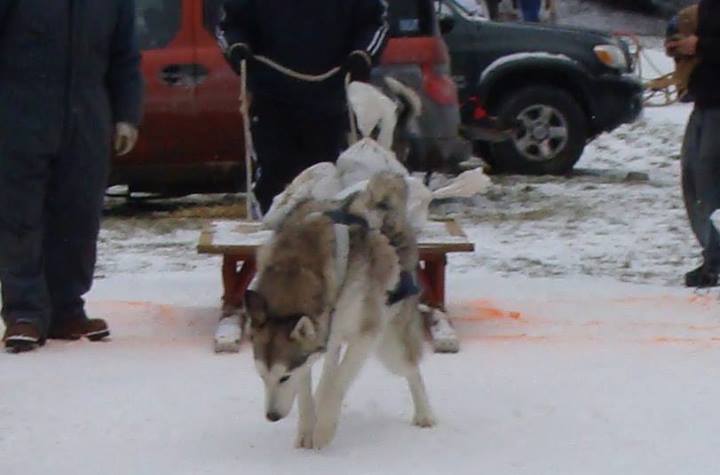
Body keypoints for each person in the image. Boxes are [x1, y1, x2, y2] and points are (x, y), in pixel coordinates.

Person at [0, 0, 144, 352]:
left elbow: (124, 57)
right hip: (19, 116)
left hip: (87, 119)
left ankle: (66, 309)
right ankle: (25, 313)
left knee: (78, 216)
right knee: (20, 218)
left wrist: (127, 115)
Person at [217, 0, 390, 214]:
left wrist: (363, 54)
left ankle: (330, 241)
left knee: (331, 182)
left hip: (330, 101)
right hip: (271, 99)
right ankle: (271, 237)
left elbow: (375, 23)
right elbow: (230, 25)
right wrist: (237, 46)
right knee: (273, 182)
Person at [666, 0, 720, 287]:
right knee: (693, 178)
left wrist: (698, 46)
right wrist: (680, 46)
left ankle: (715, 261)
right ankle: (712, 254)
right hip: (705, 102)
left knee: (709, 182)